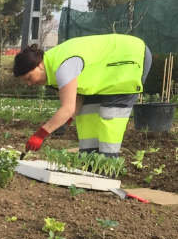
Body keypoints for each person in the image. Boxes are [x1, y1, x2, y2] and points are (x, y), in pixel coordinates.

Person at [13, 33, 151, 158]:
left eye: (29, 78)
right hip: (106, 71)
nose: (29, 84)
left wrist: (40, 135)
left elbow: (68, 108)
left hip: (128, 58)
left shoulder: (63, 67)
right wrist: (65, 121)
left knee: (110, 115)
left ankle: (108, 164)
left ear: (39, 66)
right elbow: (77, 98)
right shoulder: (53, 66)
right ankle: (88, 161)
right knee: (87, 114)